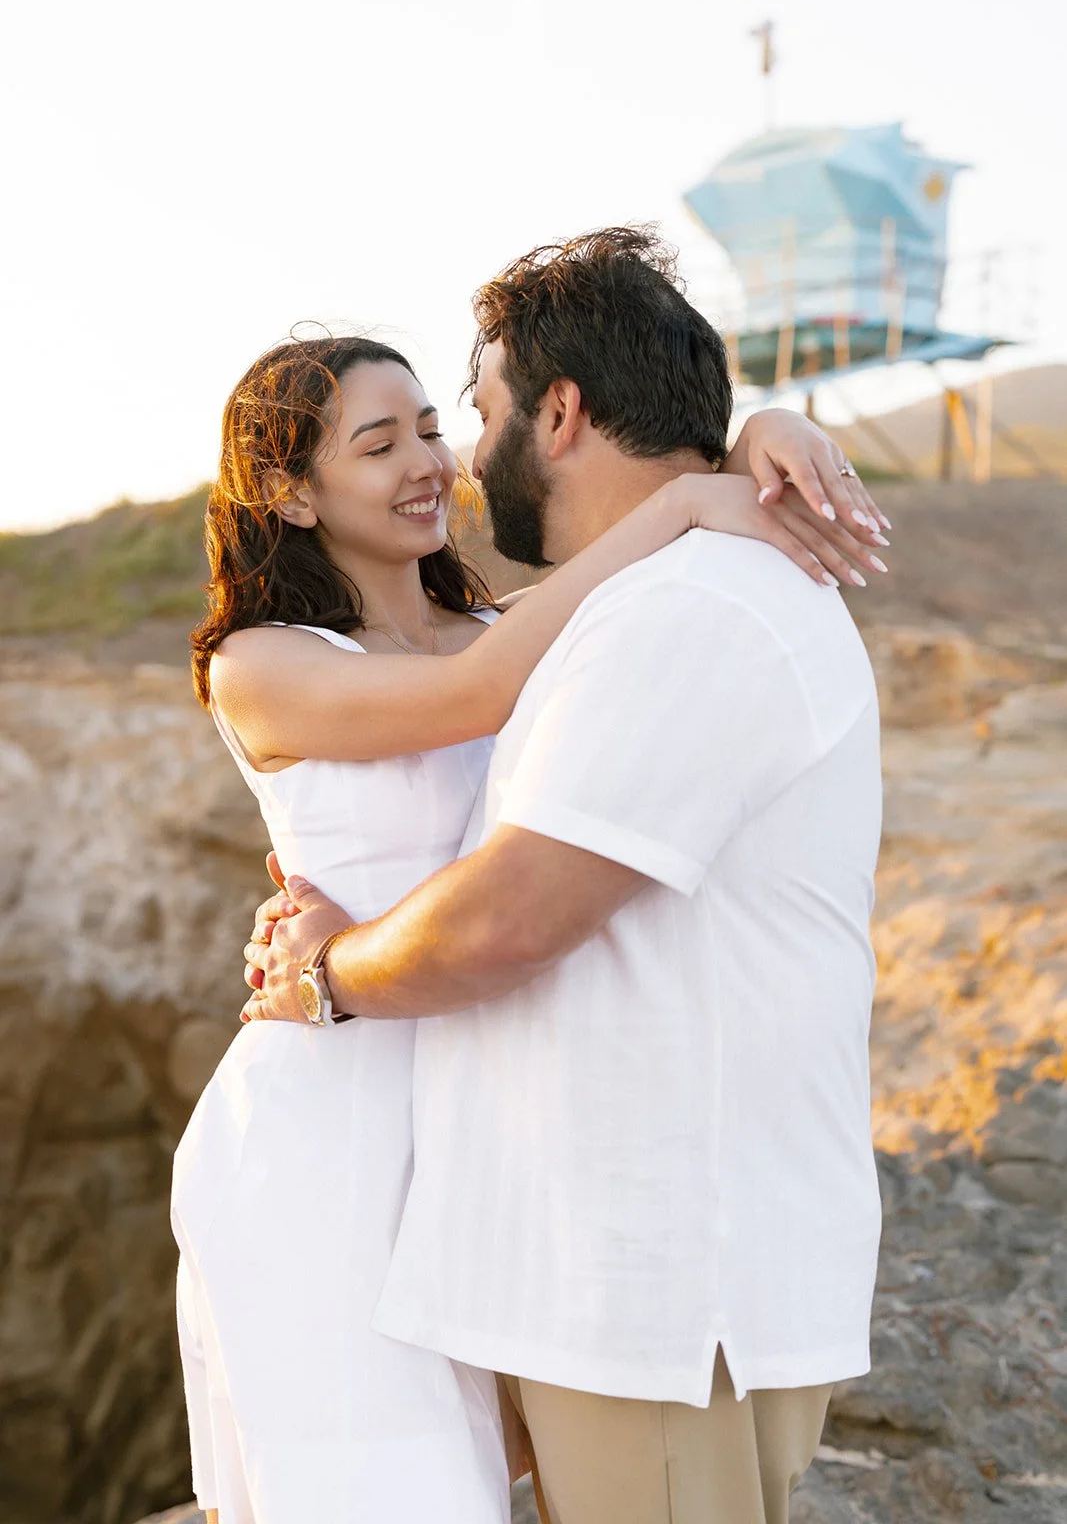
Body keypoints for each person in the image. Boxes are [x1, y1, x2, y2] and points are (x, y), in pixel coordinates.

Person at [240, 229, 886, 1524]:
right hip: (516, 1228)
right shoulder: (629, 600)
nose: (455, 461)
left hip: (648, 1281)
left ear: (561, 409)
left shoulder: (689, 605)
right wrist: (714, 466)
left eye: (464, 417)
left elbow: (511, 917)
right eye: (388, 442)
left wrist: (319, 970)